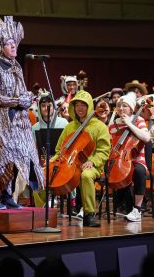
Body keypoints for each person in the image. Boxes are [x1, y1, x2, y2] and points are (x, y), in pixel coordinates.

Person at [0, 16, 44, 208]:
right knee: (4, 158)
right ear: (0, 45)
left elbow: (22, 90)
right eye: (9, 44)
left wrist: (26, 98)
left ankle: (7, 195)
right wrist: (16, 101)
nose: (13, 47)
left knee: (22, 154)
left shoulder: (16, 65)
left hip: (21, 119)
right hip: (3, 120)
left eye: (14, 43)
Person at [52, 90, 110, 227]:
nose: (79, 108)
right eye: (76, 105)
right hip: (69, 164)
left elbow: (104, 151)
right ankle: (40, 212)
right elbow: (60, 149)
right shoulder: (69, 127)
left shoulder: (100, 127)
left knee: (86, 175)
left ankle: (89, 214)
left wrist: (92, 161)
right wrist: (53, 160)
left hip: (93, 166)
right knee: (45, 173)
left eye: (83, 105)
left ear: (89, 106)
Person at [108, 92, 151, 222]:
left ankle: (137, 208)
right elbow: (109, 144)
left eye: (125, 106)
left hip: (137, 159)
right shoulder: (113, 124)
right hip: (119, 158)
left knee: (138, 171)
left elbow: (146, 137)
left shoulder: (139, 120)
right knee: (110, 170)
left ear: (131, 109)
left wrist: (130, 124)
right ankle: (123, 203)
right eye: (119, 106)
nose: (121, 108)